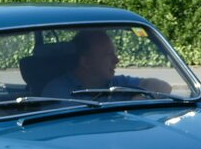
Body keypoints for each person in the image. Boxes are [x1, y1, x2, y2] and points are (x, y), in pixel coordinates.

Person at [43, 29, 171, 99]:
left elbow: (164, 87)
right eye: (108, 54)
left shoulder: (118, 83)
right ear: (86, 62)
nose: (116, 60)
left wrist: (141, 98)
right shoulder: (58, 91)